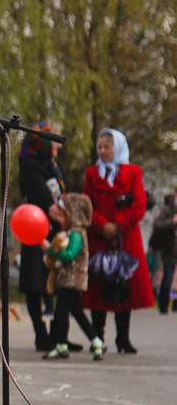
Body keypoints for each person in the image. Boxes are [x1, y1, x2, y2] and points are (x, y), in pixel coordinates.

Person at [82, 129, 155, 353]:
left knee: (124, 287)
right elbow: (87, 205)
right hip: (99, 237)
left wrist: (117, 225)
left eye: (107, 147)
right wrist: (101, 225)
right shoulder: (92, 174)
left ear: (118, 148)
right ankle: (98, 339)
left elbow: (139, 205)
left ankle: (123, 338)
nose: (102, 151)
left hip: (125, 237)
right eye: (100, 147)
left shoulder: (133, 172)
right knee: (99, 289)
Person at [16, 122, 80, 351]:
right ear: (41, 142)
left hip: (58, 231)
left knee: (62, 283)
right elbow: (44, 198)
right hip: (36, 230)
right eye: (53, 141)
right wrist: (60, 208)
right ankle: (40, 335)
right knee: (36, 284)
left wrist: (64, 209)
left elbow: (67, 191)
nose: (57, 146)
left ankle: (59, 335)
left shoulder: (52, 164)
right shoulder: (30, 165)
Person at [40, 194, 104, 360]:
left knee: (61, 312)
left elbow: (69, 255)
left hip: (72, 280)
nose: (59, 220)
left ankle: (62, 345)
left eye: (62, 216)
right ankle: (97, 342)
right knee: (78, 313)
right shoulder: (69, 232)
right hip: (66, 280)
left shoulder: (76, 234)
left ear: (73, 215)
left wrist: (49, 249)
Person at [149, 190, 177, 313]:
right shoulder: (168, 209)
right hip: (169, 247)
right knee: (168, 275)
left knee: (171, 276)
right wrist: (172, 221)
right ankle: (163, 304)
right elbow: (158, 224)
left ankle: (172, 304)